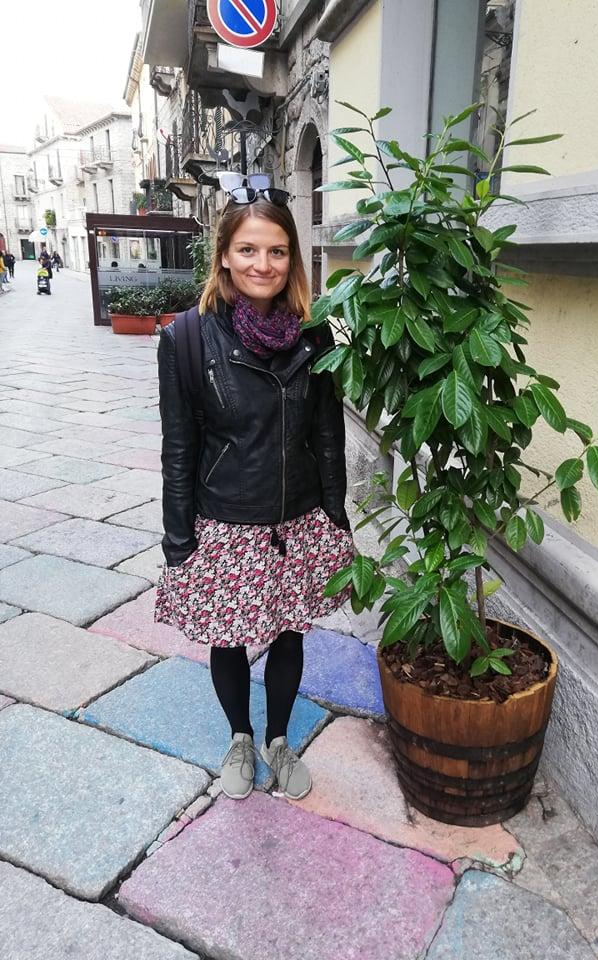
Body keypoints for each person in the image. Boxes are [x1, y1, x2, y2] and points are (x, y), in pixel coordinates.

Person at [155, 184, 355, 803]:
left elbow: (328, 435)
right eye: (247, 249)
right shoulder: (187, 338)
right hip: (226, 519)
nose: (262, 264)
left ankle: (278, 740)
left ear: (292, 258)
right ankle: (240, 736)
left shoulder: (317, 337)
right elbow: (179, 447)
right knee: (229, 636)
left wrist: (336, 516)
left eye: (276, 251)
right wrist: (179, 539)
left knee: (291, 632)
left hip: (297, 518)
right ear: (223, 255)